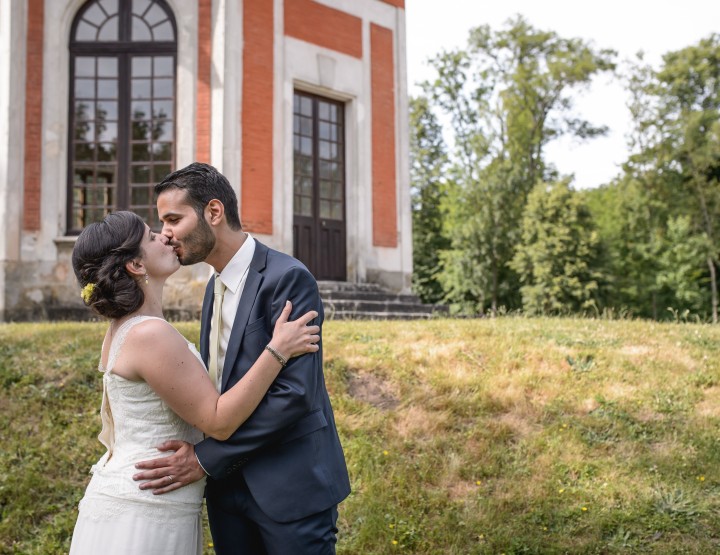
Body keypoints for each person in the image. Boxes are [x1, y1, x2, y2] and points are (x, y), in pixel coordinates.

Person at [68, 211, 320, 555]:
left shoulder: (126, 328)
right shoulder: (151, 334)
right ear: (136, 266)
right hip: (147, 510)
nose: (165, 237)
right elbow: (218, 419)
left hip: (140, 497)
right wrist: (277, 350)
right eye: (152, 236)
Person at [132, 162, 351, 554]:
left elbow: (295, 394)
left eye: (173, 219)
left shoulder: (288, 277)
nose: (165, 234)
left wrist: (205, 459)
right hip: (227, 493)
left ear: (213, 212)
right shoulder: (213, 290)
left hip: (291, 489)